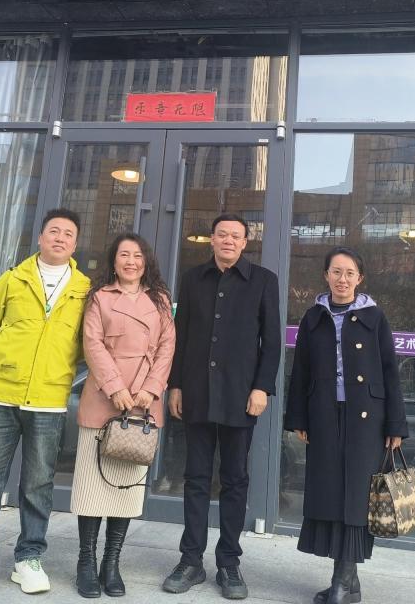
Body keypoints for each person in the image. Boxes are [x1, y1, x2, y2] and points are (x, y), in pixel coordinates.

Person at [0, 208, 91, 595]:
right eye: (53, 231)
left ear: (76, 244)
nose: (60, 238)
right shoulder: (13, 279)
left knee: (38, 483)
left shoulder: (84, 289)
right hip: (1, 393)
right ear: (41, 238)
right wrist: (7, 359)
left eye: (68, 234)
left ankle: (29, 558)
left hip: (48, 398)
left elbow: (84, 344)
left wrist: (56, 368)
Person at [163, 213, 281, 601]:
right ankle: (190, 560)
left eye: (236, 236)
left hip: (240, 396)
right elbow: (181, 337)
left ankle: (229, 562)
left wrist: (262, 387)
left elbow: (272, 342)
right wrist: (176, 384)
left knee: (234, 479)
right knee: (196, 478)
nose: (228, 240)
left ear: (245, 242)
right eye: (222, 234)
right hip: (196, 392)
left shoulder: (263, 281)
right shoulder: (193, 279)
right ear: (211, 239)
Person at [284, 247, 407, 604]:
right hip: (324, 414)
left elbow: (390, 371)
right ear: (326, 275)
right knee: (330, 493)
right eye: (336, 272)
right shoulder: (313, 317)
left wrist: (395, 424)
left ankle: (342, 582)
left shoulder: (374, 317)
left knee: (356, 495)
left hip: (367, 418)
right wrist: (298, 417)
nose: (342, 279)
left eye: (349, 273)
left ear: (359, 278)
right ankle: (348, 583)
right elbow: (300, 370)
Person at [70, 233, 176, 598]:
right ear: (113, 262)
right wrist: (115, 388)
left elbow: (167, 349)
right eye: (124, 255)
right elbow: (92, 344)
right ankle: (86, 561)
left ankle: (111, 562)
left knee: (126, 490)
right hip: (104, 398)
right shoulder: (99, 297)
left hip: (143, 405)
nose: (131, 261)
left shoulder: (159, 300)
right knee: (92, 487)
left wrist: (150, 389)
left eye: (137, 255)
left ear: (146, 262)